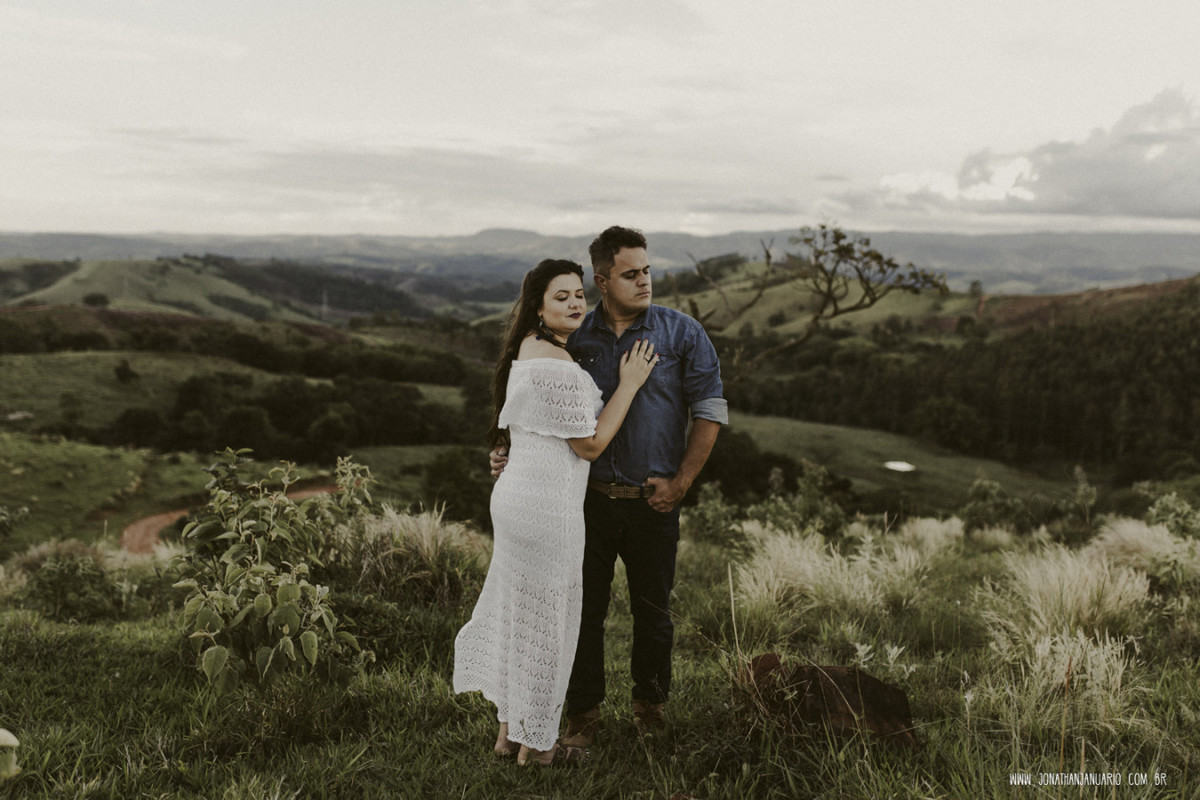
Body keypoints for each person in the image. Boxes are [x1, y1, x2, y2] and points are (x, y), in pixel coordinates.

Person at [491, 226, 727, 748]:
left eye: (647, 271)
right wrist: (515, 452)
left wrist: (682, 482)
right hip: (585, 504)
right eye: (631, 274)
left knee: (654, 612)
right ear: (602, 279)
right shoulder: (575, 333)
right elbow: (542, 401)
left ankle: (650, 710)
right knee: (582, 613)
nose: (645, 281)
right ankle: (583, 718)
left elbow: (710, 408)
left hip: (653, 502)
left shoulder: (680, 332)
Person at [453, 258, 659, 767]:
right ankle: (540, 748)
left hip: (520, 500)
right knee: (549, 626)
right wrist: (629, 383)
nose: (574, 303)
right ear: (539, 307)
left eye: (578, 295)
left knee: (522, 617)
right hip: (547, 510)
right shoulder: (557, 368)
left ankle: (508, 736)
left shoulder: (528, 350)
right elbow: (588, 446)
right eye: (561, 296)